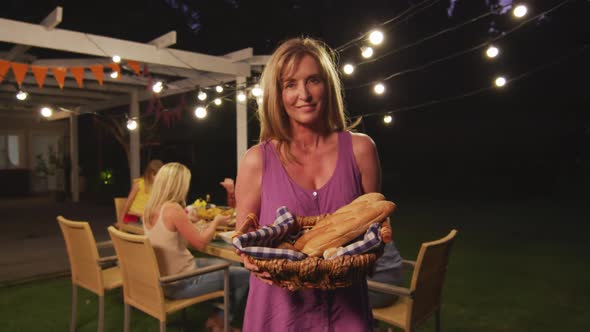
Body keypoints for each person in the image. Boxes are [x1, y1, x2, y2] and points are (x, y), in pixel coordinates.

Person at [234, 37, 394, 331]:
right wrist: (250, 260)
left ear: (328, 86)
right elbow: (244, 238)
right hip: (278, 313)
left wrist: (373, 247)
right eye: (290, 84)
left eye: (313, 80)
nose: (304, 94)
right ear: (277, 94)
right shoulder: (257, 160)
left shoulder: (361, 150)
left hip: (346, 312)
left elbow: (374, 224)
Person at [143, 162, 249, 331]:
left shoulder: (149, 209)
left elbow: (171, 235)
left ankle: (217, 318)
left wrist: (189, 222)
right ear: (178, 185)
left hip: (168, 278)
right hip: (183, 282)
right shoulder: (173, 209)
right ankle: (221, 320)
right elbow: (200, 243)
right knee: (247, 275)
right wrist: (216, 221)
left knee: (234, 265)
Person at [119, 159, 163, 224]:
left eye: (160, 175)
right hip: (134, 215)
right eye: (154, 175)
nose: (157, 177)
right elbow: (129, 201)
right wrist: (120, 219)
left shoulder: (158, 187)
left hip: (147, 215)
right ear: (149, 173)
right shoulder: (139, 183)